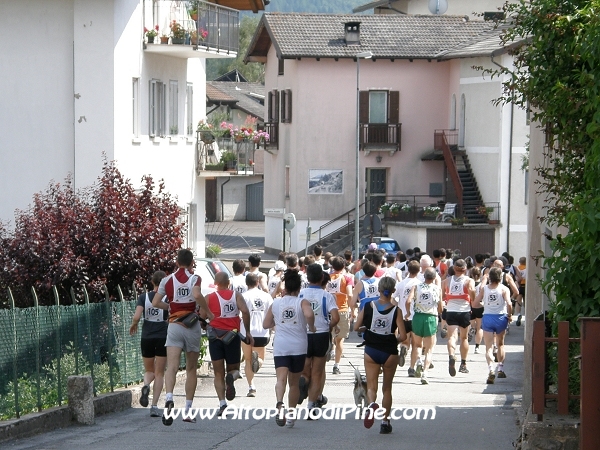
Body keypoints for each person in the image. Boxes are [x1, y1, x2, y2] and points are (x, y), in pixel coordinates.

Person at [152, 249, 213, 426]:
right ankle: (187, 409)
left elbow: (156, 302)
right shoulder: (195, 278)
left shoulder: (166, 280)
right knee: (191, 369)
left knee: (171, 367)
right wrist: (207, 312)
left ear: (177, 262)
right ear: (192, 262)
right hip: (191, 325)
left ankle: (169, 397)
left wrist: (170, 307)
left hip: (174, 326)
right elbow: (196, 295)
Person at [263, 269, 316, 428]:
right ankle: (291, 415)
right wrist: (311, 326)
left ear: (285, 286)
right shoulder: (302, 302)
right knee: (294, 382)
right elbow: (309, 314)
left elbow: (265, 324)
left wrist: (277, 323)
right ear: (299, 288)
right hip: (298, 346)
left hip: (281, 345)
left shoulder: (276, 303)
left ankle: (279, 403)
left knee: (280, 378)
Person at [354, 276, 406, 434]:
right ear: (393, 291)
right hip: (389, 351)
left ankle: (371, 405)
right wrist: (394, 341)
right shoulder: (396, 311)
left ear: (379, 290)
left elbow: (356, 327)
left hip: (371, 350)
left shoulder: (369, 306)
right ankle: (385, 422)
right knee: (387, 388)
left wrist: (365, 329)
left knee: (371, 384)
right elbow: (403, 336)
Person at [202, 272, 254, 416]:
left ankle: (222, 404)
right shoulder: (236, 295)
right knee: (235, 369)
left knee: (218, 373)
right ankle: (231, 377)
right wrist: (247, 332)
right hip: (232, 337)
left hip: (215, 338)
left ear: (215, 283)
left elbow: (201, 317)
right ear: (228, 283)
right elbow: (245, 311)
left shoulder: (208, 298)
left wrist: (206, 324)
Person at [297, 264, 340, 413]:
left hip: (304, 334)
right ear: (322, 278)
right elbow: (336, 317)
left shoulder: (301, 294)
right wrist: (329, 326)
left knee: (306, 367)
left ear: (307, 278)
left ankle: (303, 378)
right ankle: (311, 405)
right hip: (321, 334)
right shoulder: (326, 295)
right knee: (317, 372)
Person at [129, 270, 168, 417]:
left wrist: (134, 325)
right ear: (164, 282)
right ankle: (154, 406)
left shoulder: (144, 297)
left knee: (149, 371)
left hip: (146, 337)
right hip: (162, 336)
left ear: (152, 282)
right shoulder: (166, 298)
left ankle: (146, 385)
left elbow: (137, 316)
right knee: (159, 373)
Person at [472, 267, 512, 384]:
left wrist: (484, 305)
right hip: (500, 317)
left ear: (490, 277)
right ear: (500, 277)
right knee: (500, 344)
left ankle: (490, 369)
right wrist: (509, 315)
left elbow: (475, 304)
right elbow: (509, 303)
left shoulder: (484, 289)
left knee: (488, 347)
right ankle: (500, 368)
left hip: (488, 317)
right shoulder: (504, 289)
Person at [241, 273, 273, 397]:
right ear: (258, 282)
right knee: (261, 359)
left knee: (248, 361)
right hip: (262, 332)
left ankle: (251, 386)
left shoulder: (243, 296)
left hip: (246, 332)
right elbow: (271, 313)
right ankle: (258, 360)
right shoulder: (266, 296)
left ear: (246, 283)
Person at [442, 259, 476, 376]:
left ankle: (452, 355)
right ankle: (463, 364)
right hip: (464, 311)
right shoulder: (469, 281)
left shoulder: (446, 281)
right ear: (465, 269)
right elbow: (472, 295)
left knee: (451, 336)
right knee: (464, 338)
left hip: (451, 310)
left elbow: (442, 296)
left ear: (454, 269)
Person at [393, 260, 421, 376]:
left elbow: (393, 299)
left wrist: (397, 308)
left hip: (402, 316)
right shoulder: (419, 284)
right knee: (416, 344)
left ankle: (403, 347)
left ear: (408, 270)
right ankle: (411, 368)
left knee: (405, 340)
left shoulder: (400, 284)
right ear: (419, 271)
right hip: (415, 316)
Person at [326, 256, 353, 375]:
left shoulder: (327, 278)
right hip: (342, 309)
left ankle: (329, 349)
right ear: (343, 266)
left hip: (328, 310)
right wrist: (352, 308)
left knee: (329, 335)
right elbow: (350, 294)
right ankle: (336, 365)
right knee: (340, 339)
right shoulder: (347, 278)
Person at [515, 256, 527, 326]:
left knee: (518, 302)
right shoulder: (527, 268)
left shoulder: (517, 268)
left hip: (519, 286)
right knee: (526, 302)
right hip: (525, 286)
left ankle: (519, 314)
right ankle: (526, 316)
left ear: (519, 262)